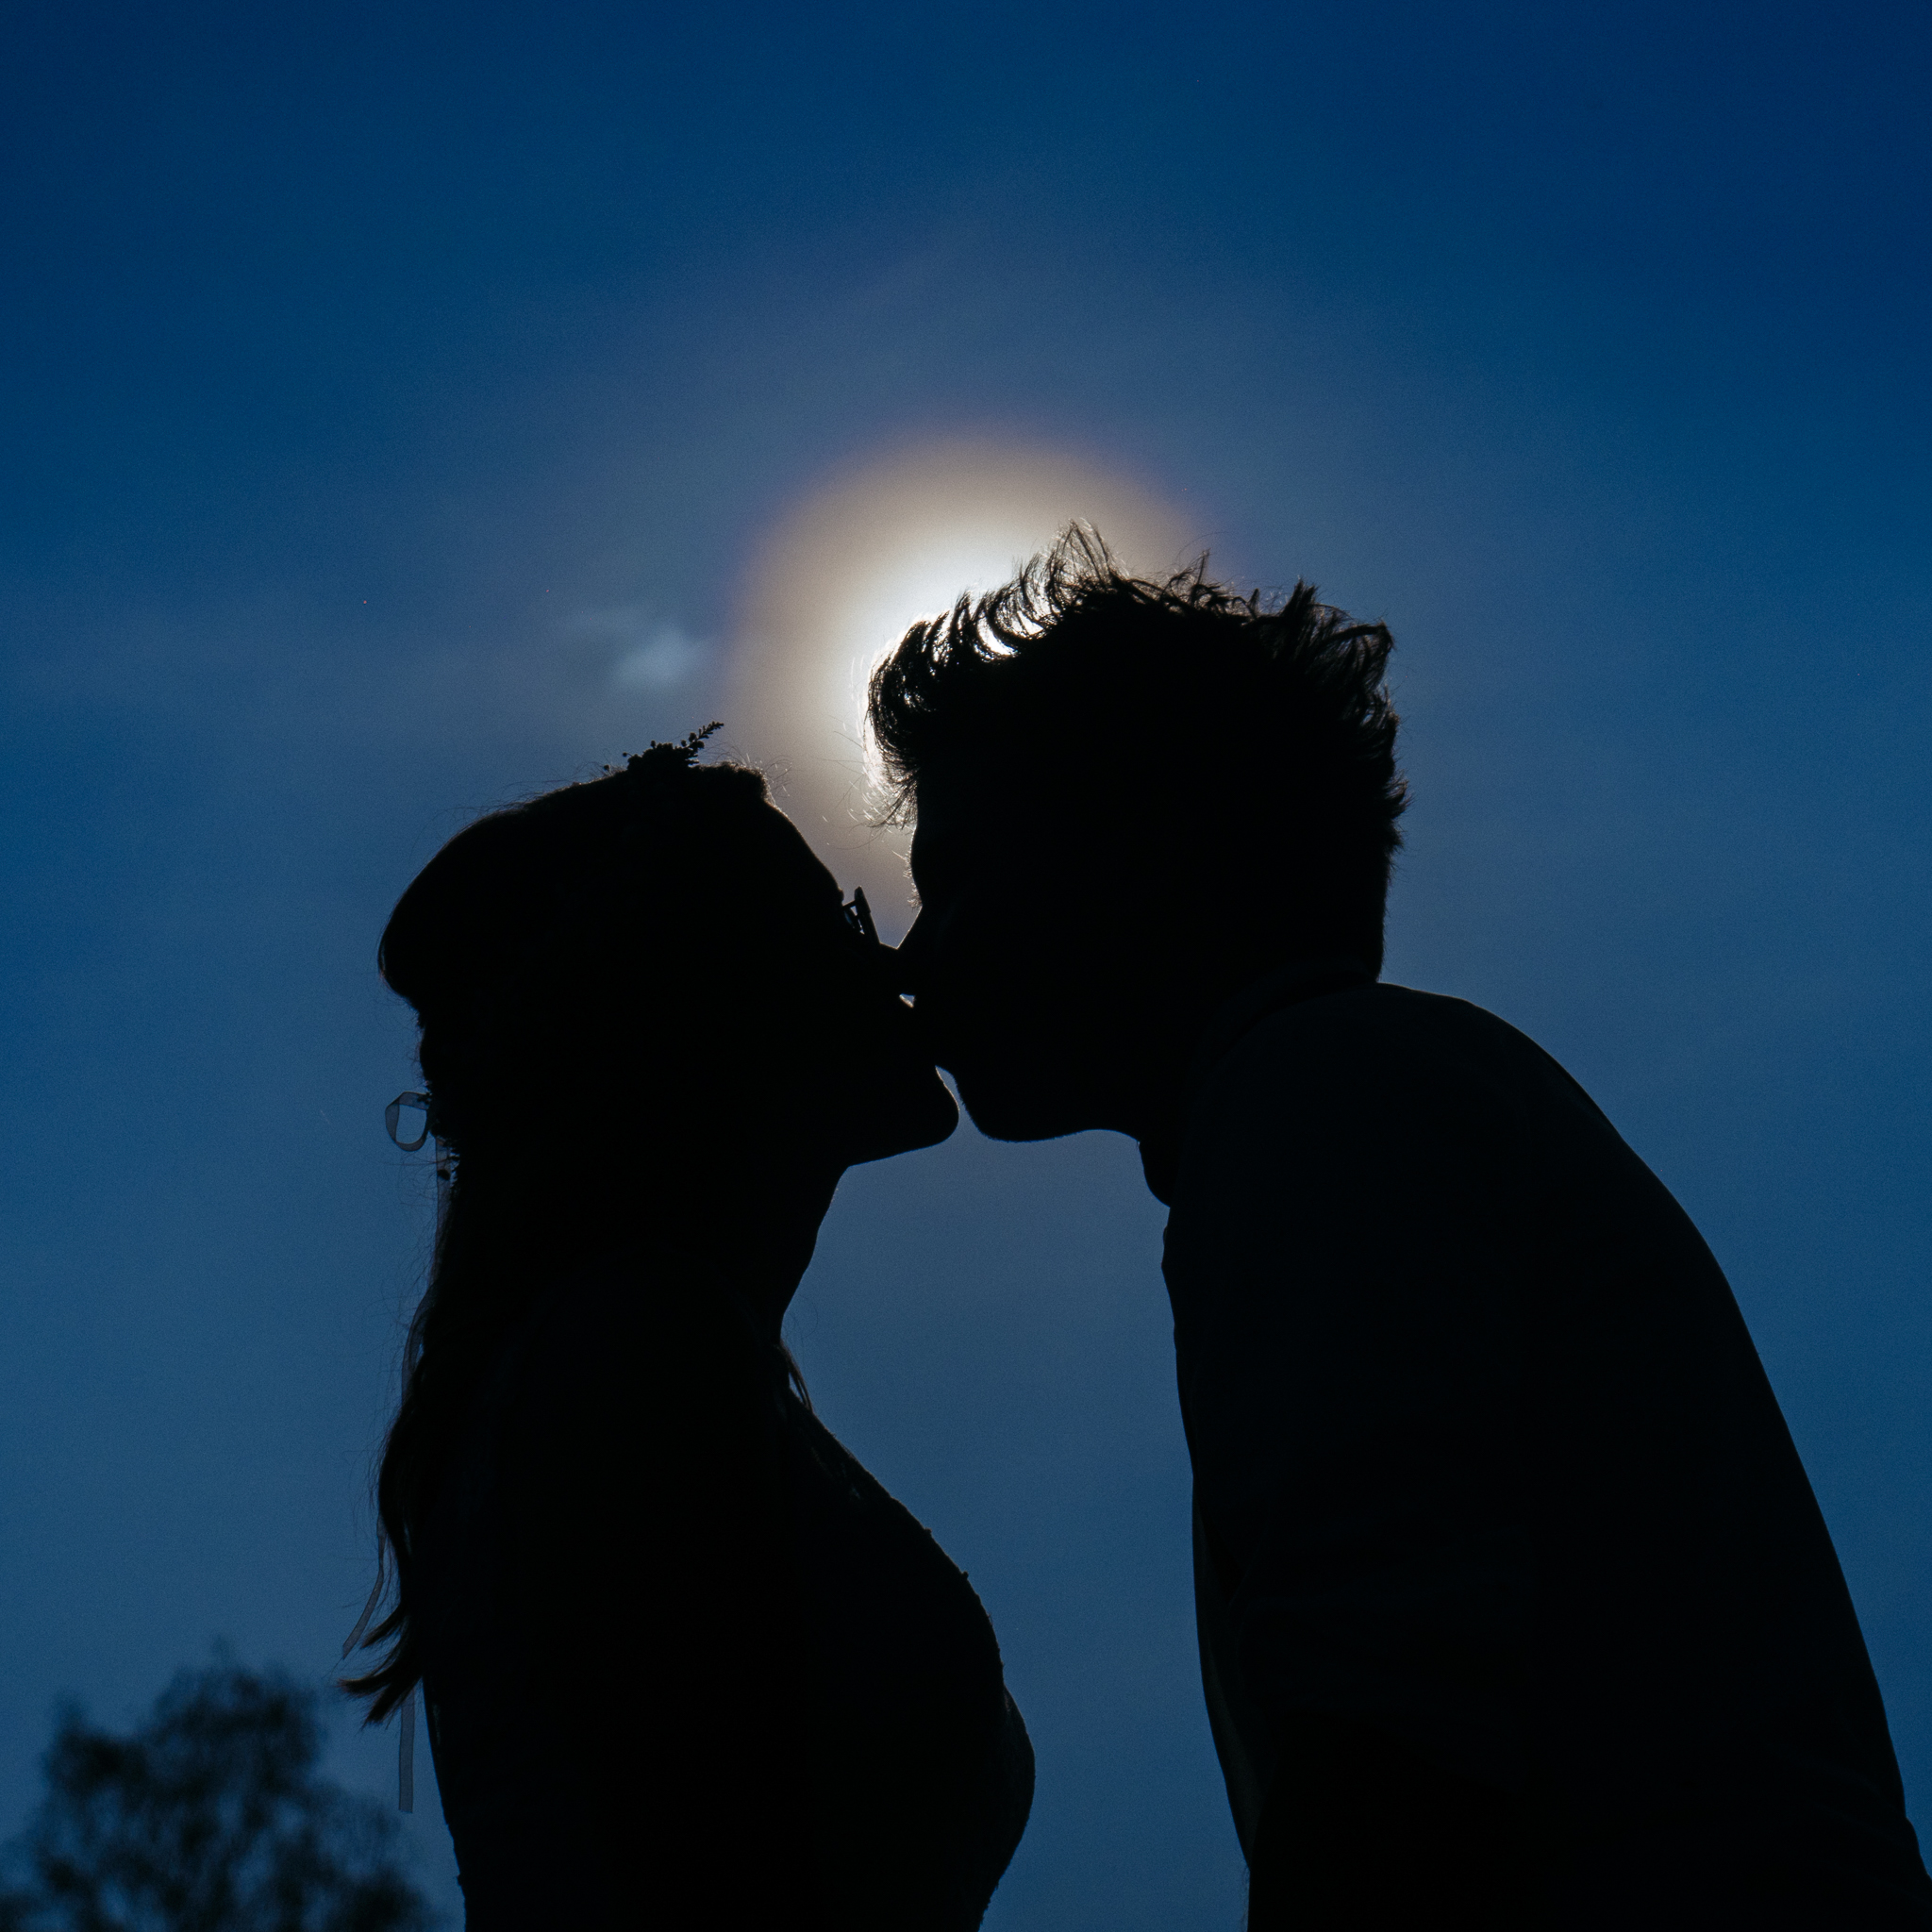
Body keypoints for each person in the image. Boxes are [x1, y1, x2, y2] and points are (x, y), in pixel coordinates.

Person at [868, 529, 1932, 1928]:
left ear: (1146, 860)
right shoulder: (1354, 1100)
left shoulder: (1320, 1102)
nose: (912, 957)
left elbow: (1394, 1757)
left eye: (960, 886)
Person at [344, 728, 1033, 1930]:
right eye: (836, 922)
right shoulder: (634, 1354)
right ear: (719, 1003)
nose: (896, 969)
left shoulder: (639, 1351)